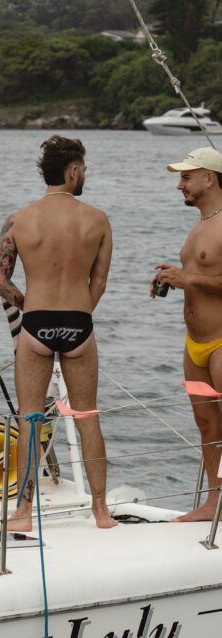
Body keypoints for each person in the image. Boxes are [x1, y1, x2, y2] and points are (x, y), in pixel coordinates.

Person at [0, 135, 116, 531]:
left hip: (36, 324)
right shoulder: (97, 219)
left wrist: (31, 308)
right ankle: (101, 512)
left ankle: (24, 513)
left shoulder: (20, 219)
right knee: (87, 416)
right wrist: (78, 313)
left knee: (30, 419)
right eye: (85, 170)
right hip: (79, 323)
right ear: (73, 171)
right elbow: (99, 283)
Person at [152, 147, 222, 522]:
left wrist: (189, 278)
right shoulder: (200, 223)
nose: (180, 185)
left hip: (221, 343)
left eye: (186, 177)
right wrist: (174, 277)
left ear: (209, 178)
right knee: (207, 424)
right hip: (194, 344)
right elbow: (202, 273)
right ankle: (215, 501)